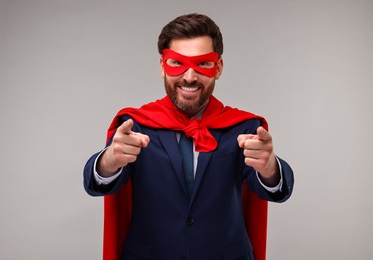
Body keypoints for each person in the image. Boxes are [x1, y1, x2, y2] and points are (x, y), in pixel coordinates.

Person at [84, 13, 294, 260]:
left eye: (203, 64)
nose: (190, 77)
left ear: (219, 68)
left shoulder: (244, 128)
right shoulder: (135, 126)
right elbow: (94, 182)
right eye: (177, 63)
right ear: (163, 66)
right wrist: (109, 161)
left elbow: (275, 189)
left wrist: (269, 168)